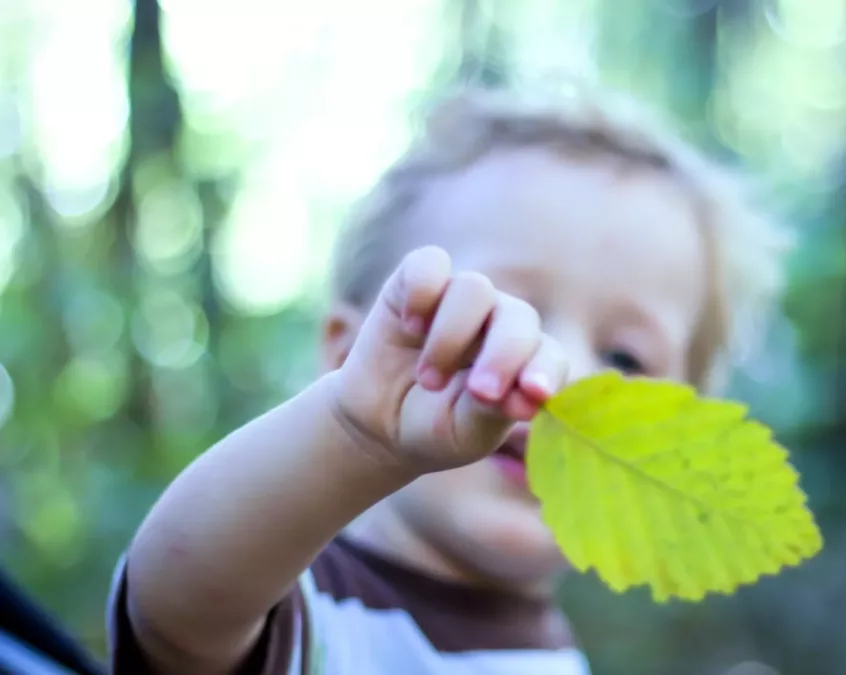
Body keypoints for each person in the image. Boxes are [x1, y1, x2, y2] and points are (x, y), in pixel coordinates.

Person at [105, 84, 792, 675]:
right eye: (498, 316)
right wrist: (354, 432)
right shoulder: (303, 603)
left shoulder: (554, 657)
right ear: (352, 359)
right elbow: (175, 604)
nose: (564, 376)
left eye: (626, 360)